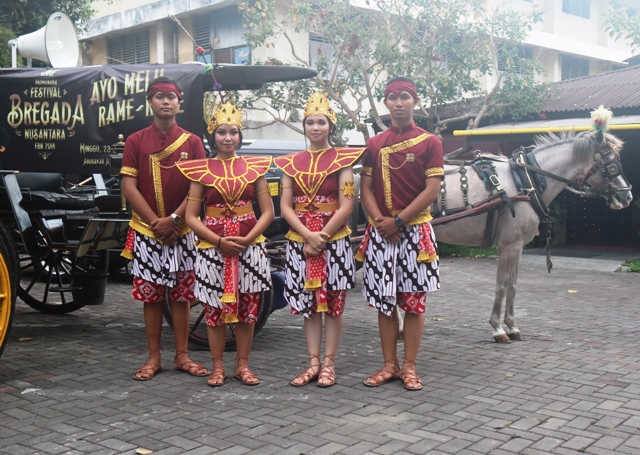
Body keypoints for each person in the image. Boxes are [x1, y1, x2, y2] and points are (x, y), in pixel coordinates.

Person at [356, 77, 444, 391]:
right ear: (385, 103)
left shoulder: (430, 142)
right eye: (392, 97)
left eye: (404, 96)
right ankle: (389, 364)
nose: (398, 102)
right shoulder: (374, 143)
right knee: (385, 301)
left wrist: (400, 222)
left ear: (414, 101)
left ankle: (409, 366)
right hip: (381, 232)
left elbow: (431, 189)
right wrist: (380, 220)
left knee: (414, 302)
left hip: (415, 232)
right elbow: (365, 188)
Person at [177, 101, 274, 387]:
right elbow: (191, 216)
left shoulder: (255, 167)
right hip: (212, 247)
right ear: (213, 136)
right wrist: (218, 241)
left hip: (249, 245)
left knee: (248, 307)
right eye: (221, 132)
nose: (228, 137)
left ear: (240, 135)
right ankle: (218, 365)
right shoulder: (201, 170)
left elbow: (267, 211)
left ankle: (242, 365)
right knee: (213, 309)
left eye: (233, 132)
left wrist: (248, 238)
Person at [121, 76, 209, 381]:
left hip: (183, 230)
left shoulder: (193, 142)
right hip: (147, 231)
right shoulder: (135, 141)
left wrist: (174, 220)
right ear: (150, 102)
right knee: (152, 295)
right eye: (159, 96)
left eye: (171, 96)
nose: (166, 101)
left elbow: (199, 186)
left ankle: (182, 355)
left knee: (182, 295)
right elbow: (128, 185)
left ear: (179, 102)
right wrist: (155, 223)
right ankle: (154, 357)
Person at [274, 92, 363, 388]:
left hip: (334, 240)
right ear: (304, 126)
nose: (315, 127)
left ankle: (329, 364)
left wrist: (321, 237)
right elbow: (286, 206)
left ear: (331, 126)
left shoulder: (344, 160)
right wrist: (308, 235)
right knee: (309, 303)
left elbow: (347, 205)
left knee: (335, 303)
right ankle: (312, 362)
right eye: (310, 122)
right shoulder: (289, 163)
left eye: (321, 122)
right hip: (300, 240)